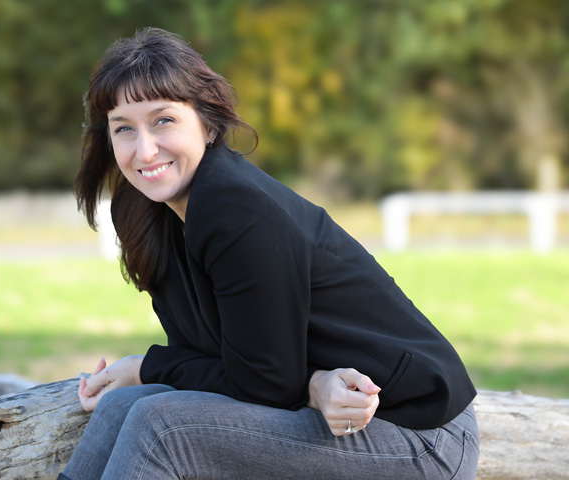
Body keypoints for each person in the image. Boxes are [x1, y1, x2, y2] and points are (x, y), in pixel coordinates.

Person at [60, 27, 479, 480]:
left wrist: (146, 367)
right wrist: (314, 384)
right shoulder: (143, 210)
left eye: (163, 120)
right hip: (317, 411)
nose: (145, 149)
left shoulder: (236, 207)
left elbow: (262, 384)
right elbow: (212, 359)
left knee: (161, 426)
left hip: (418, 434)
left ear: (207, 121)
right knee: (124, 405)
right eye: (124, 128)